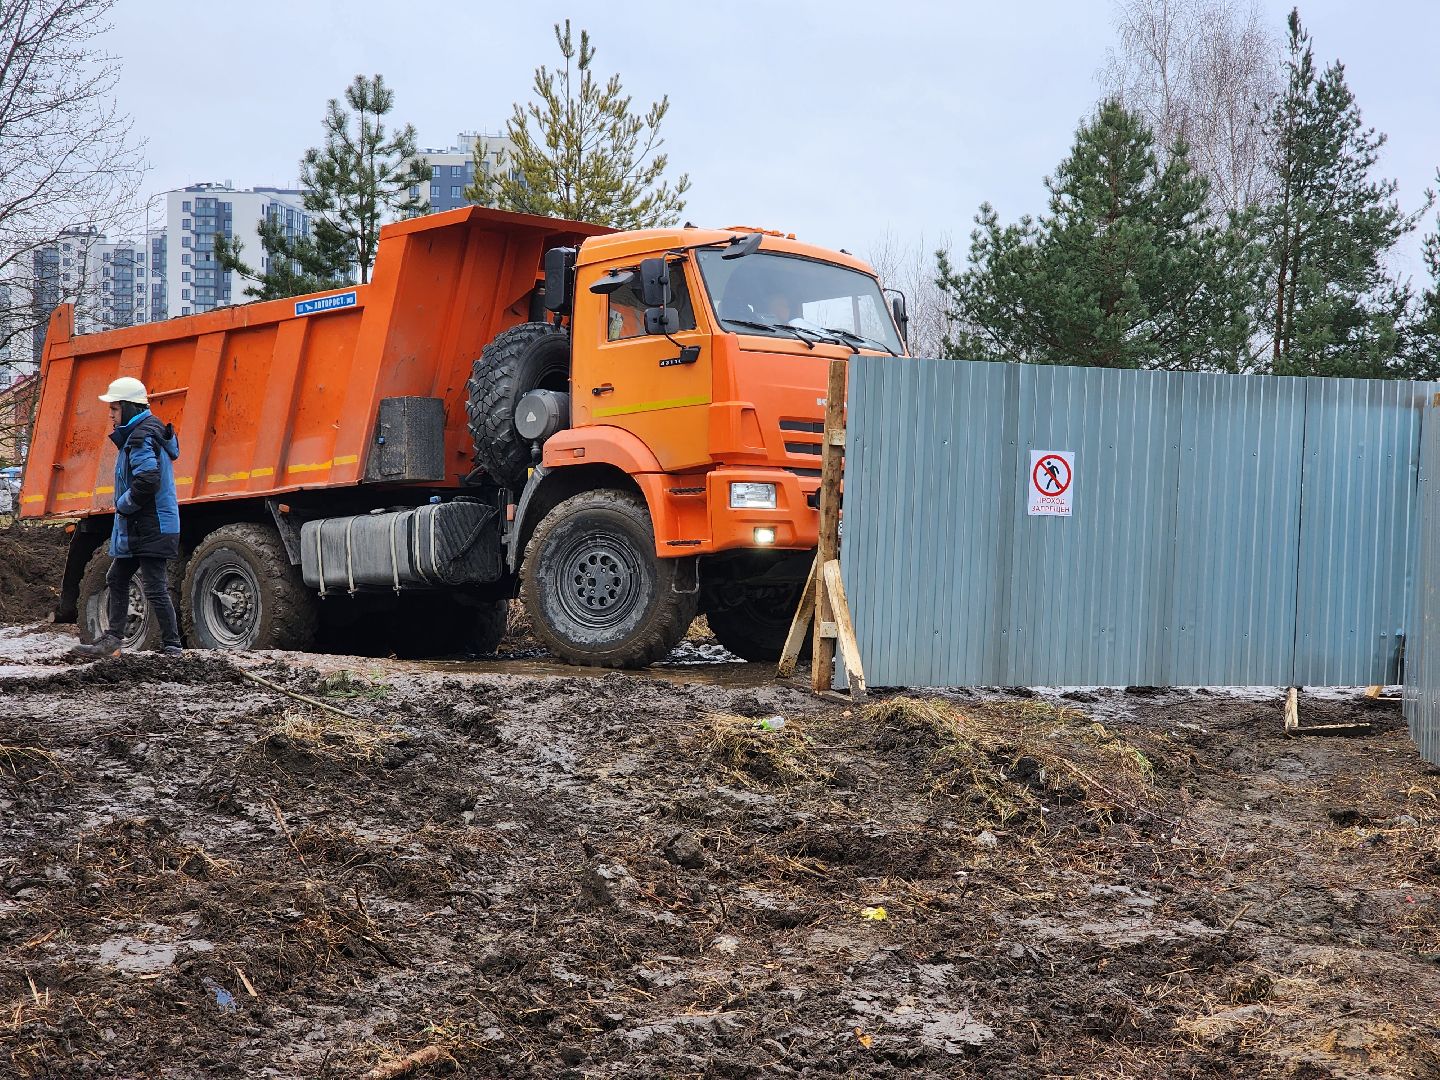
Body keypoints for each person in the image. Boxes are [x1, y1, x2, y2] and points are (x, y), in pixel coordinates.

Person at [71, 377, 183, 659]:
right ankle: (113, 640)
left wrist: (124, 504)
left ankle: (173, 647)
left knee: (154, 586)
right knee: (117, 577)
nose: (110, 414)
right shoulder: (146, 432)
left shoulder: (141, 436)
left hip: (151, 525)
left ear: (131, 408)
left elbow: (147, 478)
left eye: (115, 408)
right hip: (146, 525)